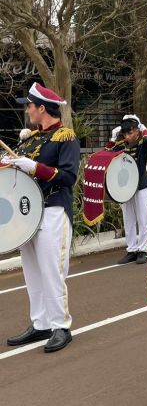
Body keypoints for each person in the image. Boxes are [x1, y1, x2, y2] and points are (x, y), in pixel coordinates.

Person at [4, 82, 79, 353]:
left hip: (53, 209)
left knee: (51, 270)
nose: (27, 110)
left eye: (30, 106)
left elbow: (69, 176)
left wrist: (35, 167)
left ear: (42, 108)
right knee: (32, 272)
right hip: (29, 213)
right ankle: (41, 323)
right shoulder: (31, 139)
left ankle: (60, 325)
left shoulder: (66, 137)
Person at [106, 114, 147, 265]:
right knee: (128, 219)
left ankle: (143, 250)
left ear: (137, 132)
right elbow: (107, 152)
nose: (127, 136)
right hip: (125, 188)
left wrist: (143, 126)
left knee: (143, 219)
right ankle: (132, 249)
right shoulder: (121, 145)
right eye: (125, 133)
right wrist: (113, 138)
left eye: (130, 132)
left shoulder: (141, 144)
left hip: (140, 186)